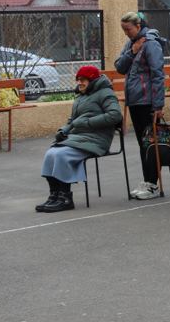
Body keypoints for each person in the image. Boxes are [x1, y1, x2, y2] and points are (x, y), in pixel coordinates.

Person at [35, 66, 122, 213]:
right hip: (79, 137)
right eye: (78, 80)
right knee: (51, 153)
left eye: (83, 80)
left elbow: (115, 115)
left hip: (97, 139)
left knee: (61, 155)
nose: (79, 83)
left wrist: (88, 123)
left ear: (92, 80)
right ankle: (54, 195)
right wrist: (64, 130)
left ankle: (66, 199)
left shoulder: (106, 93)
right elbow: (73, 120)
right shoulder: (82, 96)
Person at [114, 12, 166, 200]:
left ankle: (152, 184)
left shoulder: (151, 43)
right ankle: (147, 180)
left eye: (128, 29)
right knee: (142, 144)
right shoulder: (132, 43)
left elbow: (158, 74)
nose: (126, 33)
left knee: (149, 143)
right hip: (135, 101)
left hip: (147, 102)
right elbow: (119, 66)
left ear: (138, 26)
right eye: (123, 29)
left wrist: (158, 104)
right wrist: (132, 51)